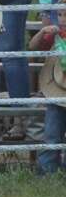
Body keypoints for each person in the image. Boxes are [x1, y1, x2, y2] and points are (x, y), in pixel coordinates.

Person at [30, 20, 66, 175]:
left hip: (57, 87)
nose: (62, 18)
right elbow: (33, 47)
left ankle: (49, 171)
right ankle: (47, 171)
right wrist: (42, 32)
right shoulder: (55, 34)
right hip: (57, 89)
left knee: (52, 133)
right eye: (59, 14)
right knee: (51, 134)